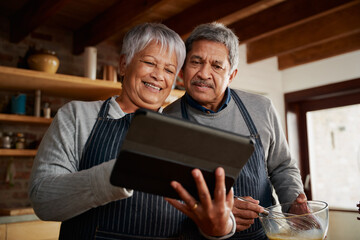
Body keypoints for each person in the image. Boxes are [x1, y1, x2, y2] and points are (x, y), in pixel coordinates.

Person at [28, 23, 236, 239]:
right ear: (123, 64)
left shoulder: (188, 131)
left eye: (169, 70)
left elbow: (215, 209)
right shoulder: (77, 116)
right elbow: (43, 200)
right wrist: (119, 173)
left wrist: (223, 227)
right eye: (149, 62)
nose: (158, 75)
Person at [164, 22, 307, 240]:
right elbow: (166, 192)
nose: (204, 73)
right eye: (196, 62)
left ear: (231, 75)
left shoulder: (261, 108)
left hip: (263, 235)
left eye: (216, 66)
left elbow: (282, 166)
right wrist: (217, 212)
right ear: (183, 70)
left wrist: (294, 206)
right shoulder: (166, 120)